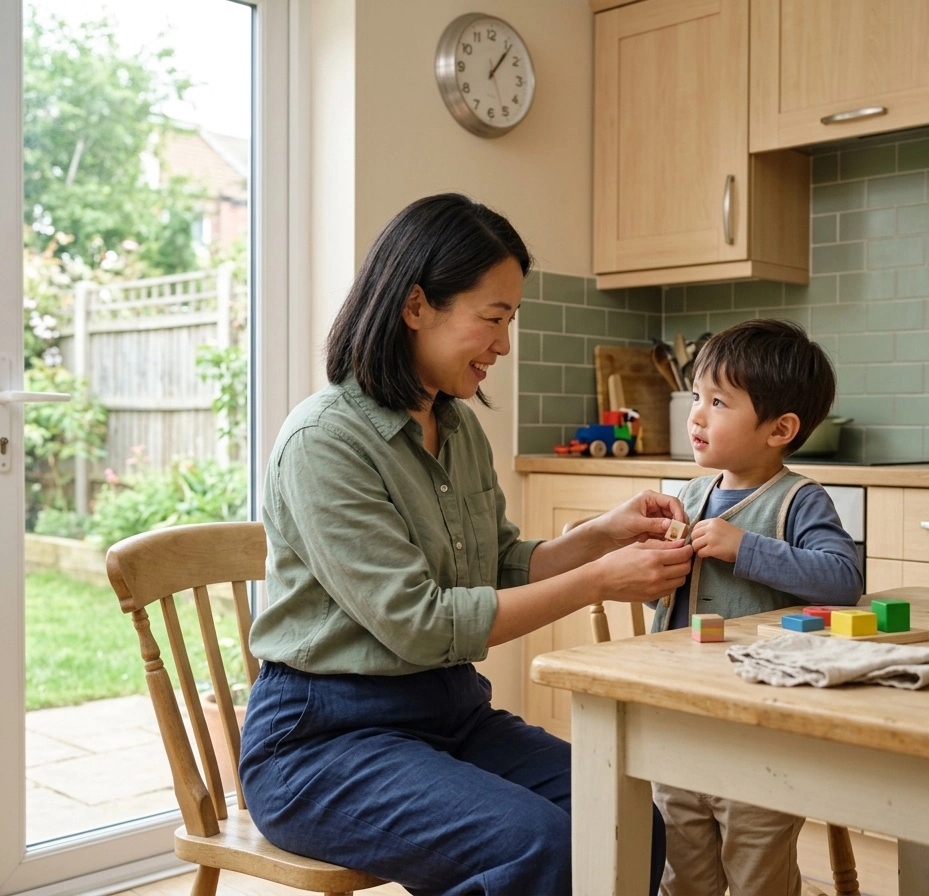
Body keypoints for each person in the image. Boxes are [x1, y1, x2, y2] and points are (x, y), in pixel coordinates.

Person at [238, 193, 692, 896]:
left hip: (451, 714)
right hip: (322, 744)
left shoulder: (458, 429)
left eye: (510, 320)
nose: (504, 345)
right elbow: (420, 625)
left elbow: (501, 565)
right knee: (539, 848)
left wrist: (601, 536)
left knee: (630, 819)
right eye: (493, 319)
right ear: (416, 305)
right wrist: (601, 580)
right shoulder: (323, 441)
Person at [651, 318, 864, 896]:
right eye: (697, 396)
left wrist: (743, 547)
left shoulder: (798, 500)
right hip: (677, 724)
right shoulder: (686, 498)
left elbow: (844, 580)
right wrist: (649, 568)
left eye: (718, 402)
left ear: (781, 429)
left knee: (757, 881)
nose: (696, 414)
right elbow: (660, 599)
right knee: (681, 879)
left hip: (760, 737)